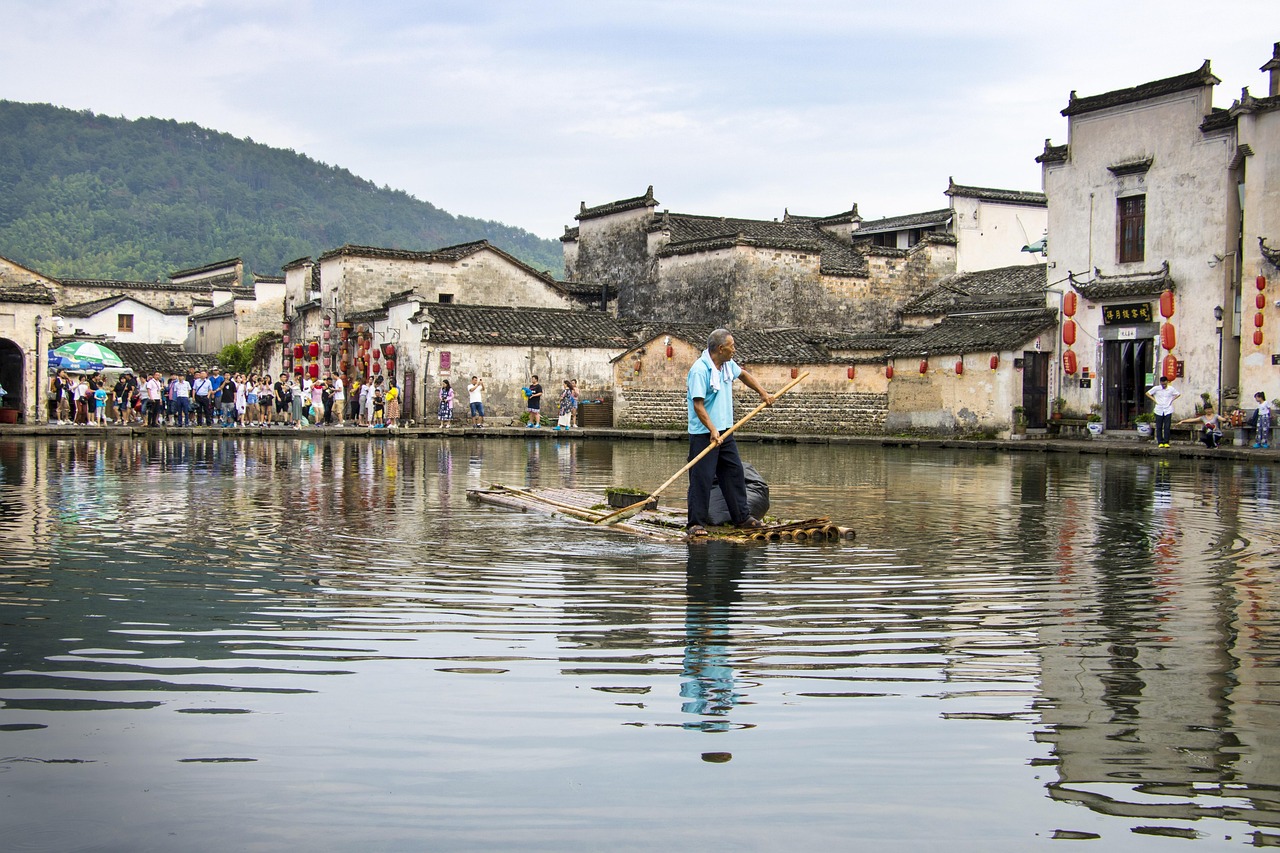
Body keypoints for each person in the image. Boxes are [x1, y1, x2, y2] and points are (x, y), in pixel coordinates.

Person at [685, 328, 774, 537]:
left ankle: (742, 518)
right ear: (720, 348)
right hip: (704, 434)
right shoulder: (700, 370)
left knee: (734, 473)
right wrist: (712, 430)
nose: (734, 349)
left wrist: (763, 393)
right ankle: (695, 524)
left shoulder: (727, 366)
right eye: (732, 346)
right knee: (702, 478)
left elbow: (743, 375)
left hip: (725, 431)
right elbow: (698, 405)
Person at [1145, 375, 1181, 448]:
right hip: (1159, 409)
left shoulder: (1171, 389)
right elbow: (1148, 393)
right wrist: (1155, 400)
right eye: (1162, 384)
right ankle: (1160, 442)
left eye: (1165, 384)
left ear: (1167, 382)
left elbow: (1178, 394)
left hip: (1168, 409)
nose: (1163, 385)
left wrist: (1172, 400)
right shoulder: (1156, 388)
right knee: (1159, 426)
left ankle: (1166, 442)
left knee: (1167, 426)